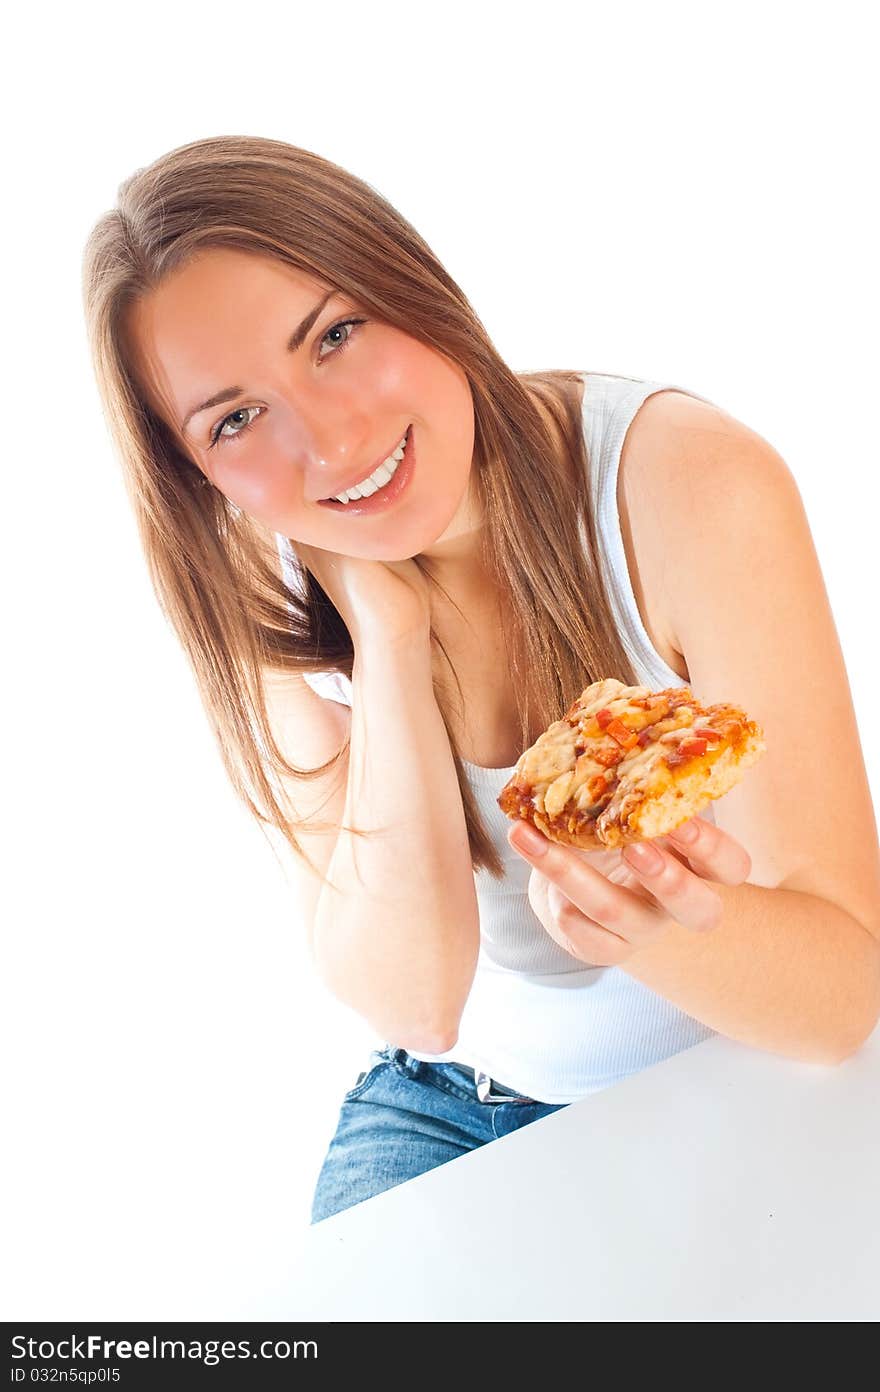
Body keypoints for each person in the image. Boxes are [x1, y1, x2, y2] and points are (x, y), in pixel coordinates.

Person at [81, 135, 880, 1226]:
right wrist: (389, 639)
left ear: (409, 283)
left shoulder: (683, 484)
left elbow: (841, 1001)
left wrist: (652, 922)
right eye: (234, 418)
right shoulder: (269, 612)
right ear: (199, 474)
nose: (331, 438)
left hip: (721, 1090)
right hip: (441, 1108)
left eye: (335, 335)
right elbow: (414, 1004)